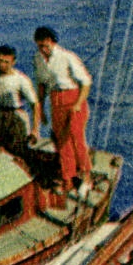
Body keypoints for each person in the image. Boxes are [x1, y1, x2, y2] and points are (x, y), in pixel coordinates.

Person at [34, 26, 94, 198]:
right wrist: (41, 108)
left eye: (46, 45)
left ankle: (86, 176)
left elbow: (86, 82)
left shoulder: (67, 57)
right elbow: (41, 84)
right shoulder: (38, 59)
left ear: (52, 42)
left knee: (76, 136)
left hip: (73, 98)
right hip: (55, 100)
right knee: (62, 141)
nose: (44, 49)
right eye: (40, 46)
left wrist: (78, 103)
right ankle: (68, 179)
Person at [0, 44, 40, 156]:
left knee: (18, 151)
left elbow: (35, 104)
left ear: (13, 62)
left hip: (16, 116)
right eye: (0, 61)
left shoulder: (21, 79)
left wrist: (35, 129)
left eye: (6, 62)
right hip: (0, 115)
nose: (2, 65)